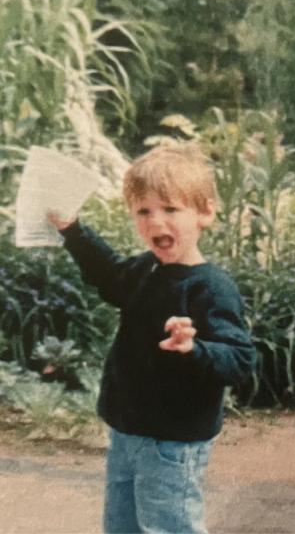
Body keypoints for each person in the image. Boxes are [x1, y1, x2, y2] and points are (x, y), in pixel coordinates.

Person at [47, 145, 256, 534]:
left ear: (205, 213)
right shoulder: (146, 269)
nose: (156, 220)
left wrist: (195, 349)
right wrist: (72, 230)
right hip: (128, 431)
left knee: (169, 528)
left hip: (173, 444)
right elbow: (109, 276)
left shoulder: (211, 288)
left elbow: (241, 360)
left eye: (170, 209)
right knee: (122, 527)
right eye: (144, 211)